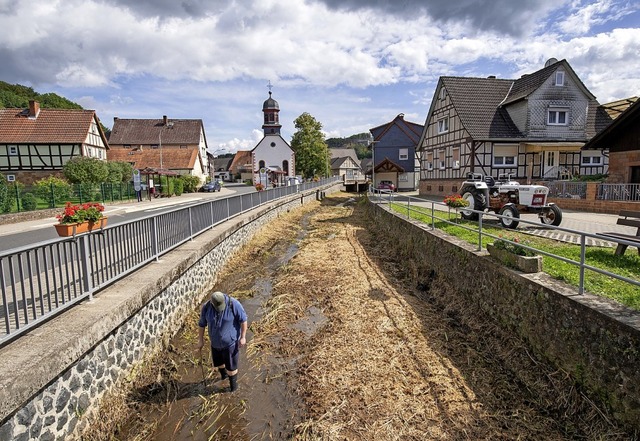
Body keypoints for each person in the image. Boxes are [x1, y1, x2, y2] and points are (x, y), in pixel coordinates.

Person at [197, 291, 248, 392]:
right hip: (215, 343)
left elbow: (243, 320)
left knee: (231, 368)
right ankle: (224, 378)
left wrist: (243, 337)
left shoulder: (234, 304)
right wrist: (200, 340)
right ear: (212, 303)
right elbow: (202, 324)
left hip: (230, 344)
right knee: (219, 363)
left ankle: (233, 388)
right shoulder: (206, 307)